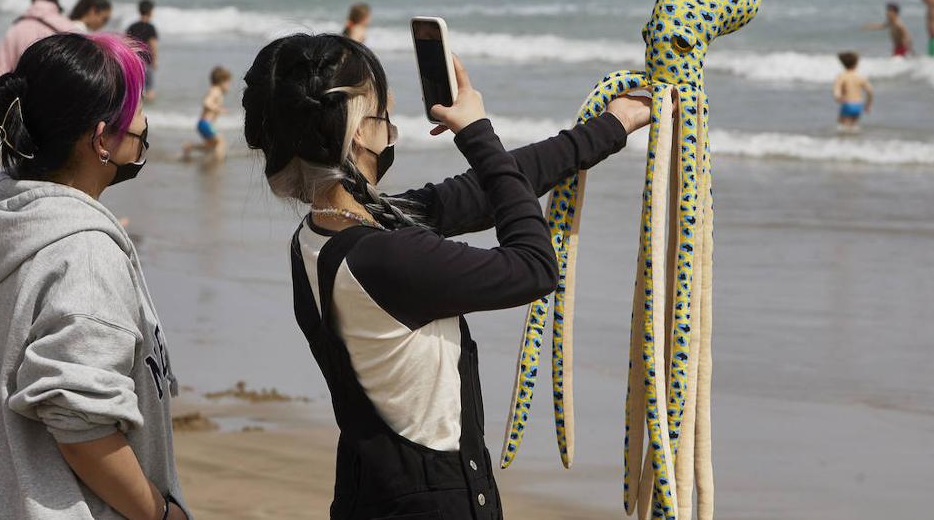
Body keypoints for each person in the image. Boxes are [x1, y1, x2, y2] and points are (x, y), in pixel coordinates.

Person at [241, 34, 653, 518]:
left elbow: (485, 189)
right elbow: (535, 268)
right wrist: (476, 131)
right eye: (383, 116)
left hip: (372, 490)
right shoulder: (386, 258)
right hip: (432, 501)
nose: (392, 128)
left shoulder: (322, 234)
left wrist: (613, 126)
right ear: (356, 132)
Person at [0, 32, 189, 520]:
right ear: (102, 139)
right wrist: (162, 514)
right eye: (137, 112)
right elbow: (81, 423)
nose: (144, 123)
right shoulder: (83, 256)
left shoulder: (5, 220)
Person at [0, 0, 80, 183]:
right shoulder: (69, 29)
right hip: (60, 117)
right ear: (56, 6)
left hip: (22, 116)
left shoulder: (15, 29)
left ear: (32, 2)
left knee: (22, 174)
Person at [181, 66, 232, 161]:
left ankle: (189, 147)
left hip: (204, 124)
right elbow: (206, 102)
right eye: (228, 83)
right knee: (221, 142)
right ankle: (219, 161)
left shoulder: (216, 91)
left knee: (210, 146)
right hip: (205, 123)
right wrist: (219, 110)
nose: (229, 86)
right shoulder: (216, 90)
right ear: (221, 81)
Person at [126, 0, 160, 101]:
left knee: (137, 88)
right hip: (146, 61)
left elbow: (128, 43)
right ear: (150, 11)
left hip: (135, 61)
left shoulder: (132, 26)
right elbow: (153, 45)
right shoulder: (150, 27)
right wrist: (155, 60)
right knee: (149, 89)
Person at [833, 51, 873, 132]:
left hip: (848, 103)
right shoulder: (859, 76)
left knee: (842, 126)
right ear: (856, 63)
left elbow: (837, 89)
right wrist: (868, 105)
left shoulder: (842, 76)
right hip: (858, 105)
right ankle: (853, 142)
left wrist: (838, 97)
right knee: (854, 126)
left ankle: (845, 143)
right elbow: (870, 91)